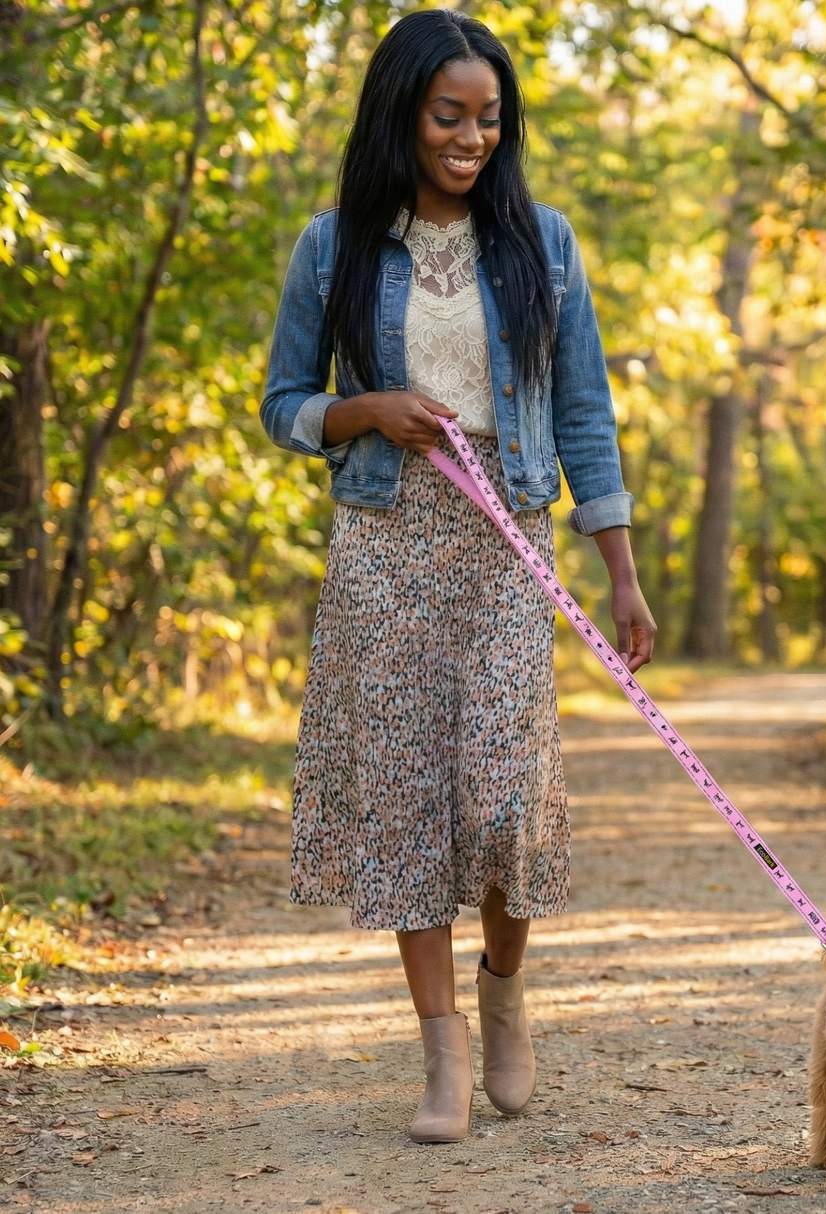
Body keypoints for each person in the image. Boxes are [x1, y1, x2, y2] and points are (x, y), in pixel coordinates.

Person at [259, 8, 656, 1145]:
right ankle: (440, 1058)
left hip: (505, 545)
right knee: (403, 804)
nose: (471, 136)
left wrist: (618, 572)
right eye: (449, 114)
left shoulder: (545, 240)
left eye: (488, 116)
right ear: (402, 111)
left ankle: (503, 988)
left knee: (498, 796)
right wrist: (362, 409)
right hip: (385, 541)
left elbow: (584, 411)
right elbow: (283, 402)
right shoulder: (331, 245)